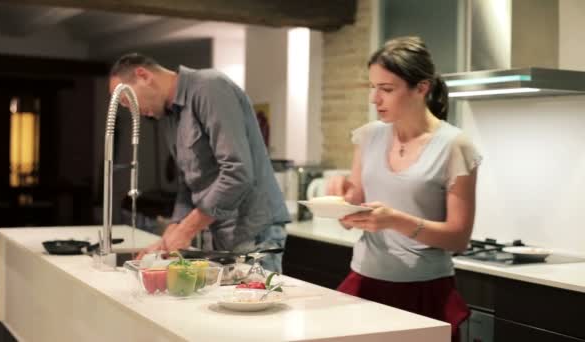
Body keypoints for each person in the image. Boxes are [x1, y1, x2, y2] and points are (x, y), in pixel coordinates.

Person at [326, 36, 481, 342]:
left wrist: (395, 220)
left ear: (421, 88)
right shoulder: (368, 137)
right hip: (364, 281)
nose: (374, 99)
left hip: (424, 291)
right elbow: (353, 214)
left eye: (386, 89)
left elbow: (459, 238)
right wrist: (341, 201)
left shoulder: (454, 145)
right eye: (372, 87)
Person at [108, 53, 291, 272]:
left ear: (143, 75)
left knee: (254, 300)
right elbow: (187, 184)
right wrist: (171, 232)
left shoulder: (209, 87)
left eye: (127, 101)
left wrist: (186, 229)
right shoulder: (169, 117)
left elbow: (237, 172)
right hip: (218, 234)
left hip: (252, 230)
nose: (132, 111)